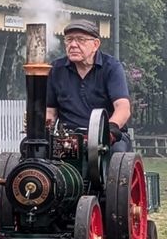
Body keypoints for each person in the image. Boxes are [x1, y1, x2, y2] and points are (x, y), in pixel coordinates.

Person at [45, 17, 133, 152]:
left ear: (96, 44)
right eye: (69, 40)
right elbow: (50, 112)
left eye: (81, 40)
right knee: (31, 149)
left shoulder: (112, 67)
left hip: (106, 137)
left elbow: (123, 107)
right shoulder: (56, 69)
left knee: (117, 152)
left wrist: (109, 131)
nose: (73, 45)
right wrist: (41, 132)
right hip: (68, 139)